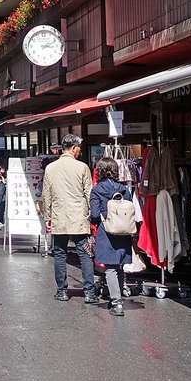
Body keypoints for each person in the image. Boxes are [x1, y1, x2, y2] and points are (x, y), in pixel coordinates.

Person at [42, 134, 98, 304]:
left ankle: (62, 291)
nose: (80, 151)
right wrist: (92, 214)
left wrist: (48, 217)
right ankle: (89, 292)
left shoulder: (50, 168)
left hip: (59, 216)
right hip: (79, 216)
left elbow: (46, 195)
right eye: (78, 147)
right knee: (85, 254)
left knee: (60, 253)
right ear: (73, 148)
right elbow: (89, 193)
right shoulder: (82, 167)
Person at [90, 157, 134, 317]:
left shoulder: (97, 190)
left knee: (110, 267)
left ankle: (116, 302)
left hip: (106, 231)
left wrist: (94, 220)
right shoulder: (124, 190)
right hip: (124, 231)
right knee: (119, 266)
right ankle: (118, 298)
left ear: (100, 171)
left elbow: (95, 215)